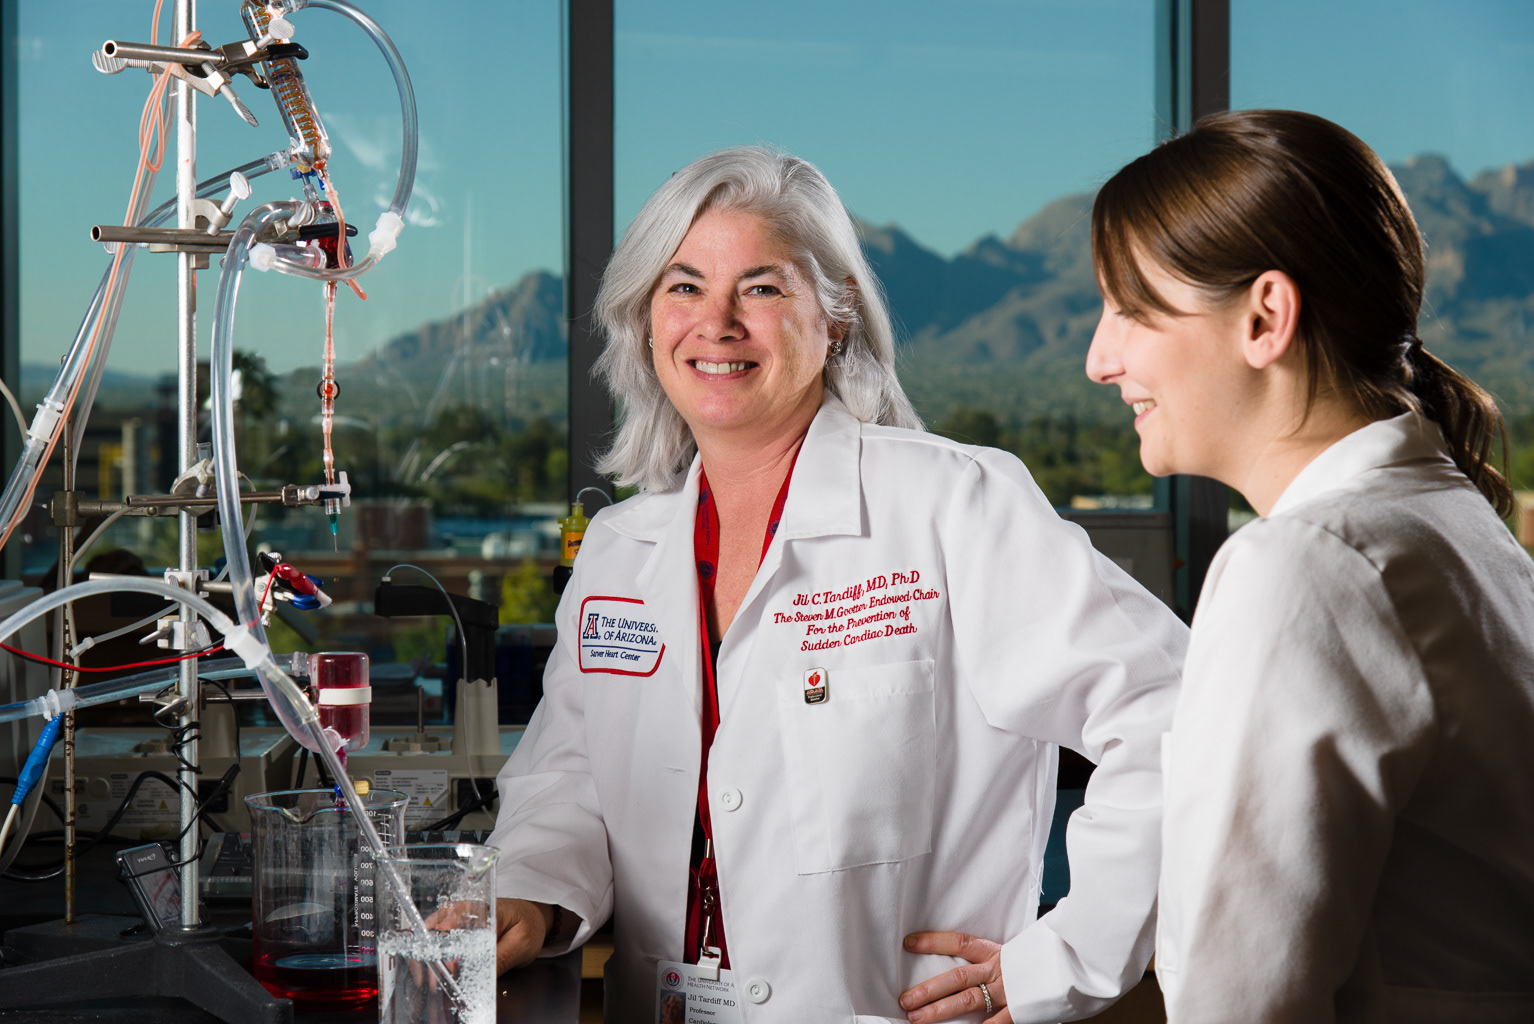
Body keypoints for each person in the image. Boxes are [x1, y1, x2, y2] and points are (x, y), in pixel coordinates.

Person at [486, 146, 1188, 1023]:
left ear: (838, 316)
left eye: (762, 288)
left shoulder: (954, 504)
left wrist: (1070, 955)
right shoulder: (619, 551)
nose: (717, 323)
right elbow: (571, 778)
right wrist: (531, 893)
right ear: (644, 319)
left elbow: (1178, 719)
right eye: (683, 286)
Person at [1085, 109, 1534, 1023]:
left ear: (1265, 318)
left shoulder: (1301, 567)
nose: (1100, 359)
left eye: (1130, 310)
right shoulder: (1455, 521)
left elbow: (1241, 999)